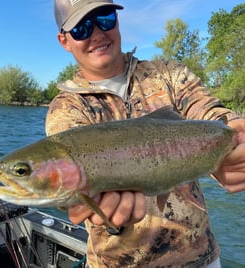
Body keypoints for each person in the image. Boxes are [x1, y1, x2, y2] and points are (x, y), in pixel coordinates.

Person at [46, 0, 245, 267]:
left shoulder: (169, 74)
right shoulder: (66, 109)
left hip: (201, 258)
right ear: (64, 41)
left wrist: (232, 135)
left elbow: (207, 111)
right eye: (81, 28)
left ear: (117, 20)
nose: (96, 33)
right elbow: (77, 193)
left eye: (104, 18)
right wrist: (108, 218)